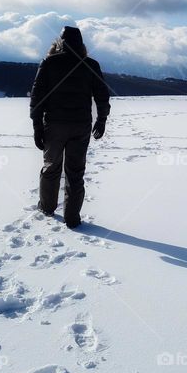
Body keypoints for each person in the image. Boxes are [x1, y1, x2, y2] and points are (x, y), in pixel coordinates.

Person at [29, 26, 110, 228]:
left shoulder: (48, 63)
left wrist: (37, 126)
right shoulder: (91, 64)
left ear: (60, 43)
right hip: (81, 126)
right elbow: (102, 95)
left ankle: (47, 207)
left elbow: (37, 97)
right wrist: (102, 119)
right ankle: (72, 218)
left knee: (51, 168)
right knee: (75, 172)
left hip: (54, 125)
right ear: (81, 44)